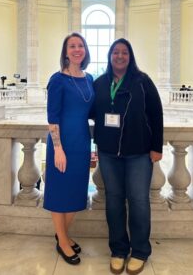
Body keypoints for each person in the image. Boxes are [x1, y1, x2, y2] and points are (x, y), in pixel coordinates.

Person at [91, 38, 163, 275]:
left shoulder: (142, 81)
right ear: (110, 56)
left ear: (130, 57)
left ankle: (140, 251)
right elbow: (89, 111)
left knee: (139, 202)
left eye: (124, 52)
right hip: (109, 153)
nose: (119, 56)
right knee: (113, 201)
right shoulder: (100, 83)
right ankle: (118, 249)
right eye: (115, 52)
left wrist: (156, 147)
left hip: (139, 153)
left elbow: (156, 113)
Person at [43, 32, 94, 265]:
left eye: (80, 45)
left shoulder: (89, 78)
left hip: (82, 143)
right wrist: (58, 149)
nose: (76, 49)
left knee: (75, 192)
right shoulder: (57, 80)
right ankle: (63, 241)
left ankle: (61, 234)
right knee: (59, 192)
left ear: (85, 50)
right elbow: (52, 118)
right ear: (65, 52)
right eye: (72, 46)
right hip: (61, 144)